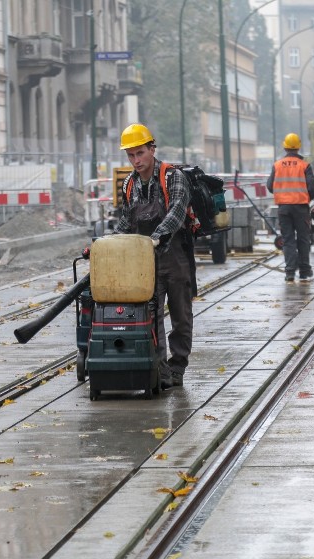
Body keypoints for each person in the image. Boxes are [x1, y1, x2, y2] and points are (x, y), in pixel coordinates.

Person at [114, 123, 193, 390]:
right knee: (151, 316)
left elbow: (177, 212)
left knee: (180, 315)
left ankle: (178, 365)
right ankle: (160, 369)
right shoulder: (129, 185)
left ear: (152, 148)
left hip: (175, 258)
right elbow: (126, 223)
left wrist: (157, 236)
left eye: (140, 153)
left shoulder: (173, 178)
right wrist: (108, 245)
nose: (136, 160)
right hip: (145, 264)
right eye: (131, 155)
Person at [266, 132, 314, 282]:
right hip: (301, 208)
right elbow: (312, 187)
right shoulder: (304, 165)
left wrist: (283, 195)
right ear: (298, 147)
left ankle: (289, 272)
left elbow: (270, 186)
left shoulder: (277, 165)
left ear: (285, 146)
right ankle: (304, 270)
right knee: (303, 239)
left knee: (288, 240)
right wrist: (306, 198)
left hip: (284, 209)